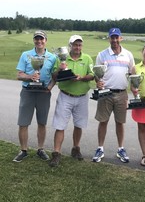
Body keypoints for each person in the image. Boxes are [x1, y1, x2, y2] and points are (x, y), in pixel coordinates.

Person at [49, 35, 94, 167]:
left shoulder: (87, 58)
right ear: (70, 46)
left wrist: (81, 78)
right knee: (60, 125)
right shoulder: (61, 57)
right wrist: (60, 69)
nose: (77, 47)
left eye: (80, 45)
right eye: (75, 44)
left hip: (81, 97)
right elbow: (54, 76)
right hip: (65, 96)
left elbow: (92, 75)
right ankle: (56, 154)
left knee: (79, 125)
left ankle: (76, 148)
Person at [92, 28, 135, 163]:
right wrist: (98, 82)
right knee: (103, 121)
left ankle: (120, 149)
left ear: (120, 38)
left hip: (122, 93)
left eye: (117, 37)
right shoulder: (102, 55)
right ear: (109, 38)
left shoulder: (128, 55)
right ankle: (100, 148)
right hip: (106, 93)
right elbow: (96, 74)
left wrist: (134, 91)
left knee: (120, 122)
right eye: (112, 37)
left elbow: (132, 74)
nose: (115, 40)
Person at [13, 30, 57, 162]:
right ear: (34, 40)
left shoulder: (52, 57)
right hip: (28, 92)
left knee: (42, 122)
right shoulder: (26, 55)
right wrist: (30, 76)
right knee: (23, 122)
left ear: (46, 41)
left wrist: (49, 87)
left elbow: (54, 77)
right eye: (37, 39)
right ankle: (23, 150)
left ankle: (40, 149)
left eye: (41, 39)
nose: (39, 41)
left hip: (43, 93)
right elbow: (19, 75)